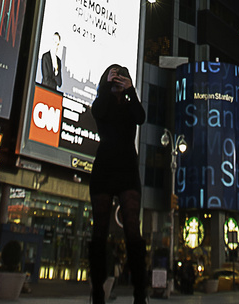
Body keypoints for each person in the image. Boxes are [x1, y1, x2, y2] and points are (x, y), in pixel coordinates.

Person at [88, 64, 147, 304]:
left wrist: (130, 90)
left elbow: (141, 118)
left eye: (121, 76)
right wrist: (105, 86)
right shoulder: (102, 102)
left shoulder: (129, 102)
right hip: (104, 167)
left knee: (133, 229)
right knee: (99, 231)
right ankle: (98, 292)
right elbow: (97, 112)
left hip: (127, 167)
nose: (117, 79)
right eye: (114, 75)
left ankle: (140, 294)